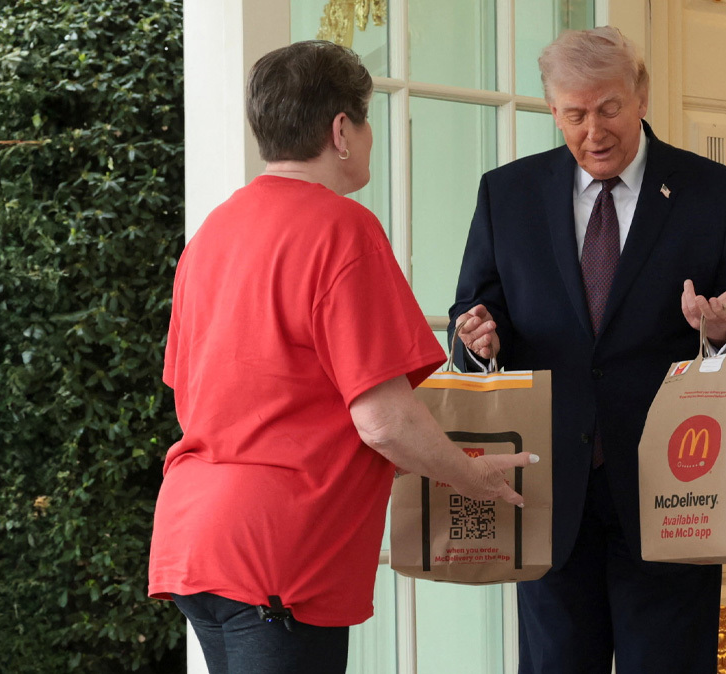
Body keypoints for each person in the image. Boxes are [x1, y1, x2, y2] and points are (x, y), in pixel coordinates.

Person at [149, 41, 536, 674]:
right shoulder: (341, 228)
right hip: (281, 555)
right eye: (364, 119)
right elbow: (382, 419)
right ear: (340, 131)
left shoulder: (212, 235)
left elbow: (193, 389)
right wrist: (470, 476)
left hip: (195, 541)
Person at [450, 27, 726, 674]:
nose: (592, 131)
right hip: (546, 494)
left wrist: (718, 330)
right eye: (574, 114)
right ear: (553, 110)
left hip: (675, 490)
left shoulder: (714, 194)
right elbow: (473, 315)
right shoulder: (506, 195)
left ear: (641, 97)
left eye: (608, 109)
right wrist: (476, 343)